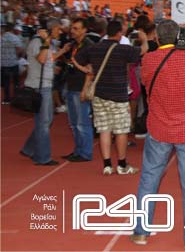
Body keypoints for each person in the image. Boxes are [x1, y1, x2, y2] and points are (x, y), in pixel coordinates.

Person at [130, 20, 185, 249]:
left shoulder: (148, 60)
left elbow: (146, 81)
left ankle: (141, 233)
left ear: (156, 38)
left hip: (159, 129)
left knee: (149, 180)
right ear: (178, 38)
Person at [76, 20, 148, 175]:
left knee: (104, 130)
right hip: (118, 95)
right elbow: (143, 50)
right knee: (121, 131)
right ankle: (122, 165)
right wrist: (144, 39)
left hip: (99, 95)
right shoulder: (123, 50)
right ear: (119, 33)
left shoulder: (94, 48)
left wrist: (88, 70)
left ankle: (107, 165)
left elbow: (77, 58)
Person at [21, 19, 71, 166]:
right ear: (50, 29)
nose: (60, 32)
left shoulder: (42, 42)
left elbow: (49, 58)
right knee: (44, 122)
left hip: (44, 85)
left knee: (45, 121)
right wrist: (47, 40)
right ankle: (42, 157)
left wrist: (62, 51)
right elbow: (42, 59)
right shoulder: (38, 42)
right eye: (58, 29)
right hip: (40, 86)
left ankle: (29, 149)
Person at [61, 18, 95, 162]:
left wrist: (84, 90)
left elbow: (91, 70)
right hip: (70, 85)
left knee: (82, 123)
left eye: (76, 28)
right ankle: (78, 150)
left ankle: (85, 153)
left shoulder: (89, 46)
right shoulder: (73, 44)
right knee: (74, 123)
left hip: (80, 88)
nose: (72, 31)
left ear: (84, 30)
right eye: (72, 28)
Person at [1, 23, 24, 103]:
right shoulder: (15, 38)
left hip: (3, 63)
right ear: (12, 29)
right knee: (15, 82)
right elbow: (19, 49)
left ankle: (6, 99)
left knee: (6, 82)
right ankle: (15, 98)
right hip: (14, 62)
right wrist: (17, 56)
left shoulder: (1, 38)